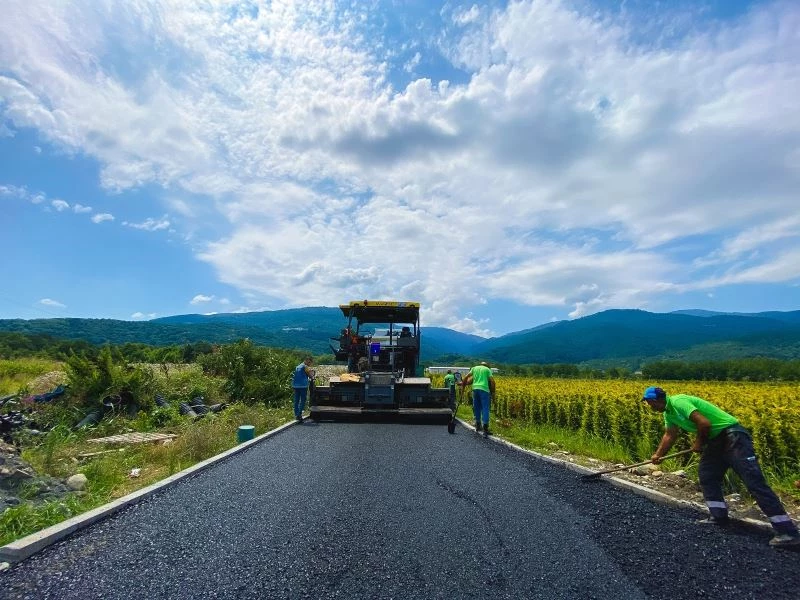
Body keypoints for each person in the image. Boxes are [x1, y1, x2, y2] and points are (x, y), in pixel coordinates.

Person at [642, 386, 800, 548]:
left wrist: (698, 443)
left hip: (733, 436)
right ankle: (719, 516)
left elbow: (704, 423)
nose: (649, 406)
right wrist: (658, 454)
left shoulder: (678, 402)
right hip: (716, 441)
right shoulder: (669, 414)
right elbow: (670, 435)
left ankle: (788, 532)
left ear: (656, 400)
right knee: (707, 475)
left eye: (649, 403)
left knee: (754, 482)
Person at [461, 361, 495, 437]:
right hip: (484, 390)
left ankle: (478, 425)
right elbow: (492, 381)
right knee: (485, 408)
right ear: (487, 366)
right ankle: (485, 429)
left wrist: (463, 386)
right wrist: (493, 393)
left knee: (476, 407)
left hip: (475, 389)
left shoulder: (475, 368)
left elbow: (467, 378)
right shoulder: (487, 370)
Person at [291, 356, 314, 422]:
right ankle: (299, 414)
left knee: (296, 400)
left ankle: (296, 414)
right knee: (303, 400)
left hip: (295, 385)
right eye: (309, 362)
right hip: (303, 386)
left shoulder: (297, 366)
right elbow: (310, 376)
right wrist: (312, 376)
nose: (309, 364)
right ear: (306, 361)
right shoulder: (305, 367)